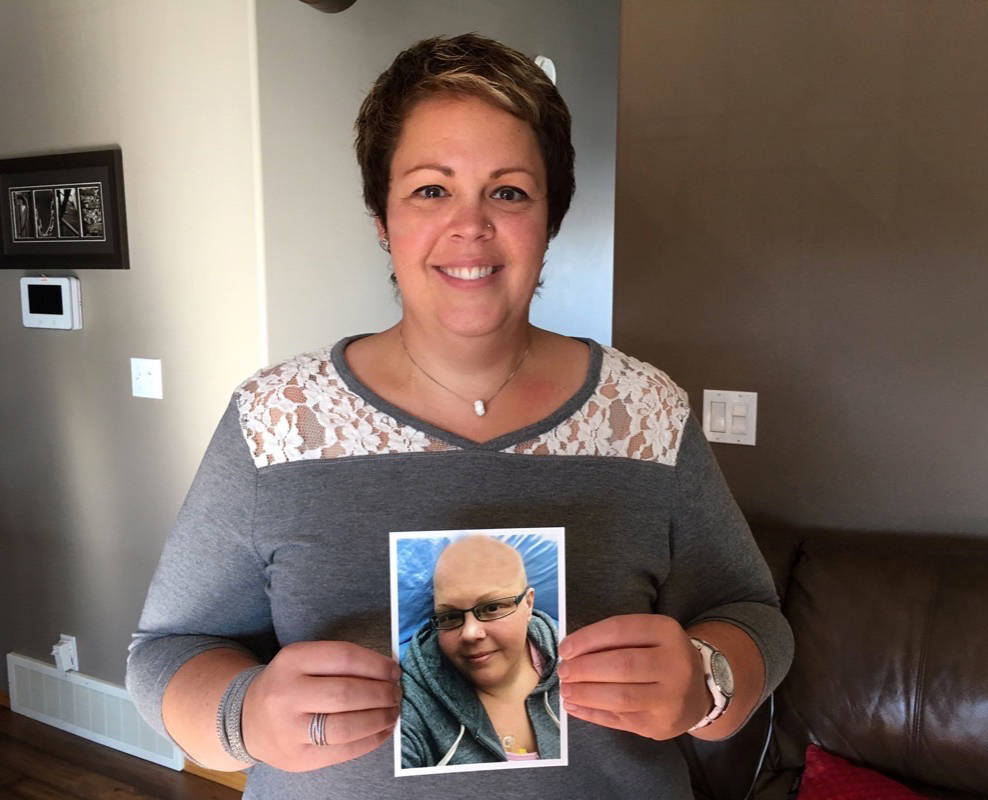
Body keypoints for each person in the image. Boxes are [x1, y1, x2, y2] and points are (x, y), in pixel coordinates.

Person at [127, 33, 793, 800]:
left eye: (508, 191)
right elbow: (163, 656)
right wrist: (245, 716)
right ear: (383, 218)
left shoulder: (645, 412)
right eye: (430, 190)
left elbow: (754, 617)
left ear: (549, 221)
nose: (470, 225)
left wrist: (707, 680)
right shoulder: (276, 419)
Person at [399, 535, 561, 767]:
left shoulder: (575, 661)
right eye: (450, 616)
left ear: (528, 604)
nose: (469, 633)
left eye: (492, 607)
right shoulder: (412, 698)